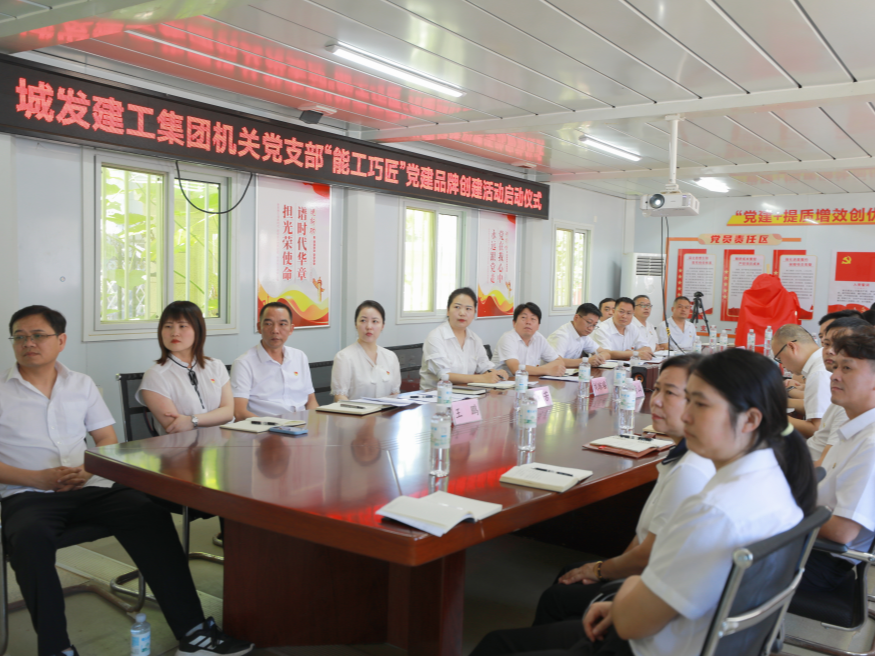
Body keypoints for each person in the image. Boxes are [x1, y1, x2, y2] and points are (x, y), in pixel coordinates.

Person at [469, 348, 816, 656]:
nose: (687, 416)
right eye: (688, 401)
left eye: (700, 404)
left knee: (496, 644)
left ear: (751, 419)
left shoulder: (714, 510)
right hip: (692, 636)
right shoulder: (773, 481)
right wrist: (629, 600)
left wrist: (629, 593)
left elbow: (634, 622)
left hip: (648, 644)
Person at [1, 305, 253, 656]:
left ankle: (194, 633)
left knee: (148, 513)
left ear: (61, 340)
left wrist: (89, 469)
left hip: (91, 486)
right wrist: (37, 479)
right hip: (27, 494)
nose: (28, 343)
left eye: (38, 335)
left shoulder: (81, 384)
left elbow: (106, 439)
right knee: (29, 539)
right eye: (20, 337)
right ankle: (56, 648)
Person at [531, 354, 713, 626]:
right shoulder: (686, 455)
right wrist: (608, 567)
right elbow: (644, 537)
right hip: (650, 574)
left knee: (553, 600)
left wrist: (601, 571)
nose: (656, 400)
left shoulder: (690, 471)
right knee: (568, 575)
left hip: (655, 592)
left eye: (670, 393)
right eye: (657, 389)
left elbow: (648, 554)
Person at [798, 332, 875, 594]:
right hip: (808, 543)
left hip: (820, 559)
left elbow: (842, 531)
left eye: (847, 369)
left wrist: (783, 510)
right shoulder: (855, 428)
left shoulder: (871, 444)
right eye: (836, 367)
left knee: (712, 556)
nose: (834, 375)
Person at [137, 301, 234, 433]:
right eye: (168, 326)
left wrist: (191, 420)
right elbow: (176, 427)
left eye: (182, 326)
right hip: (183, 445)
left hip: (224, 441)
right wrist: (214, 417)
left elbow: (228, 413)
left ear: (198, 330)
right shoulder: (155, 375)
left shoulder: (216, 366)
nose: (174, 333)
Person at [231, 302, 318, 418]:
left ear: (291, 329)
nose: (275, 330)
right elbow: (239, 412)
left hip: (302, 424)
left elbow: (311, 400)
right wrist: (274, 426)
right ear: (259, 327)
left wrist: (316, 422)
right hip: (265, 426)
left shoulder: (299, 356)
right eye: (268, 324)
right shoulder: (244, 363)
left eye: (282, 324)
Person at [806, 317, 873, 463]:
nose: (831, 351)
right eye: (826, 344)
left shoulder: (869, 444)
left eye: (847, 368)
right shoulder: (847, 404)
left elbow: (824, 467)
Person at [420, 288, 508, 390]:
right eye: (457, 307)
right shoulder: (435, 337)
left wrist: (497, 374)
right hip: (435, 395)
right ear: (448, 311)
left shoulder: (475, 339)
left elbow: (485, 367)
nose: (462, 313)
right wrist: (482, 378)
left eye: (468, 309)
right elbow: (444, 375)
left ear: (474, 313)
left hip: (465, 394)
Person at [331, 300, 401, 401]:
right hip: (354, 411)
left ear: (382, 326)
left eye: (375, 321)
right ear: (356, 324)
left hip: (387, 411)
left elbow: (395, 393)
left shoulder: (390, 356)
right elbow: (340, 397)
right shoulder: (344, 357)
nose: (369, 327)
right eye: (363, 320)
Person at [771, 324, 829, 438]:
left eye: (780, 359)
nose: (783, 366)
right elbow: (814, 407)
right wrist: (777, 402)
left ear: (792, 347)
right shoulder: (820, 365)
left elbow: (816, 429)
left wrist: (771, 416)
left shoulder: (818, 373)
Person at [493, 303, 565, 377]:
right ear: (514, 323)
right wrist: (547, 370)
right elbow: (515, 369)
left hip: (529, 381)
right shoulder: (507, 338)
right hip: (503, 382)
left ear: (538, 326)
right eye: (524, 317)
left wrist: (541, 370)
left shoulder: (539, 338)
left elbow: (559, 362)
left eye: (533, 319)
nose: (528, 322)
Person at [547, 303, 610, 369]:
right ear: (576, 318)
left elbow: (606, 353)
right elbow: (555, 362)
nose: (591, 328)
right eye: (589, 322)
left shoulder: (584, 335)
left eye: (594, 325)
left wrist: (599, 358)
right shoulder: (561, 336)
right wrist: (586, 361)